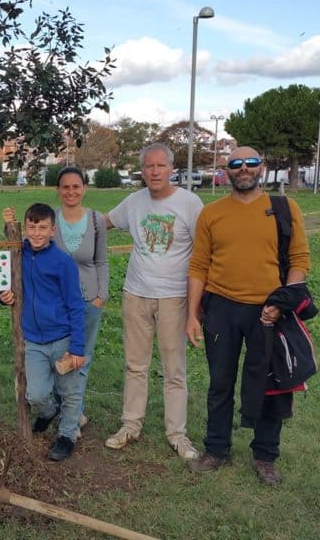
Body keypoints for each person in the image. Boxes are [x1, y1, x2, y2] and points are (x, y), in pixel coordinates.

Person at [185, 146, 311, 486]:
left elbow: (299, 259)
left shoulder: (284, 208)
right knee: (220, 383)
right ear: (227, 171)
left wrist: (281, 303)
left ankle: (266, 455)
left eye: (250, 163)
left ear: (262, 168)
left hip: (269, 311)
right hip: (221, 309)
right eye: (236, 164)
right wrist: (192, 314)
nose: (243, 169)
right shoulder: (211, 214)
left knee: (271, 385)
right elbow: (199, 265)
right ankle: (216, 449)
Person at [103, 144, 204, 460]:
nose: (155, 171)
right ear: (142, 171)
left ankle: (177, 434)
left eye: (161, 166)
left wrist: (197, 306)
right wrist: (61, 223)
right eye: (149, 166)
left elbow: (204, 254)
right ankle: (130, 426)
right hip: (136, 294)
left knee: (174, 370)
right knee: (136, 365)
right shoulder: (134, 202)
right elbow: (102, 222)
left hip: (174, 298)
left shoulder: (189, 203)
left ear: (172, 169)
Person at [2, 166, 108, 433]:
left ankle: (69, 430)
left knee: (74, 372)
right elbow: (14, 256)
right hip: (38, 331)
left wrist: (101, 296)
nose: (37, 232)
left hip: (77, 309)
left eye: (76, 185)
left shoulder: (91, 226)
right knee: (38, 390)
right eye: (32, 227)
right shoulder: (28, 247)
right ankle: (55, 410)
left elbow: (101, 260)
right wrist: (8, 225)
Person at [0, 203, 87, 461]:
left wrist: (77, 347)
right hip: (33, 340)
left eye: (43, 228)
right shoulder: (18, 254)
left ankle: (67, 435)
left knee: (70, 391)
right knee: (34, 394)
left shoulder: (62, 262)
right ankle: (48, 411)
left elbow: (75, 304)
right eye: (32, 227)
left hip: (62, 338)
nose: (37, 233)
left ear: (53, 230)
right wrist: (2, 296)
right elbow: (7, 282)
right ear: (25, 228)